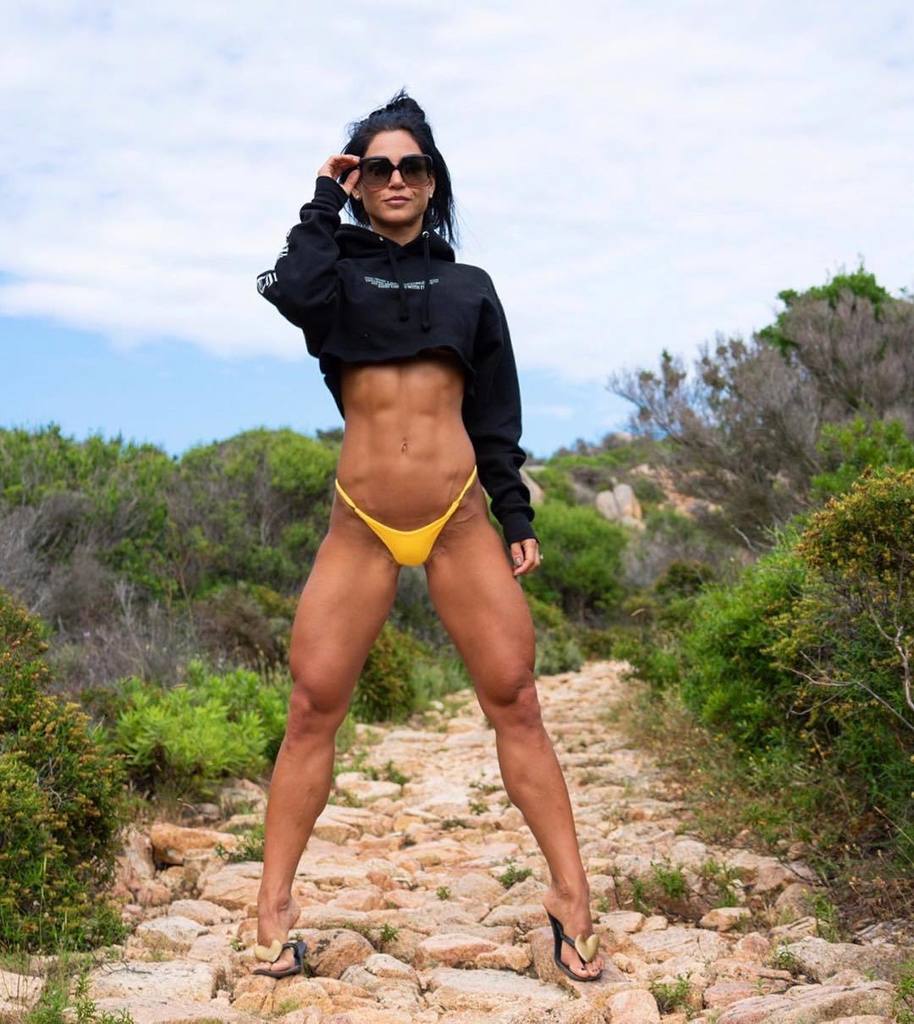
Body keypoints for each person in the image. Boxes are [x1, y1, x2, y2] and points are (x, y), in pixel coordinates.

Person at [250, 88, 604, 982]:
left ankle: (571, 900)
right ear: (360, 182)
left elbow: (496, 412)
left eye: (411, 165)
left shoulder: (469, 288)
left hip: (457, 521)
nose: (396, 178)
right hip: (361, 526)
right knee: (311, 708)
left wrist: (515, 513)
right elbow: (291, 289)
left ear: (432, 180)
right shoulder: (333, 280)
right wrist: (321, 199)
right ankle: (273, 912)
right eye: (377, 168)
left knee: (515, 699)